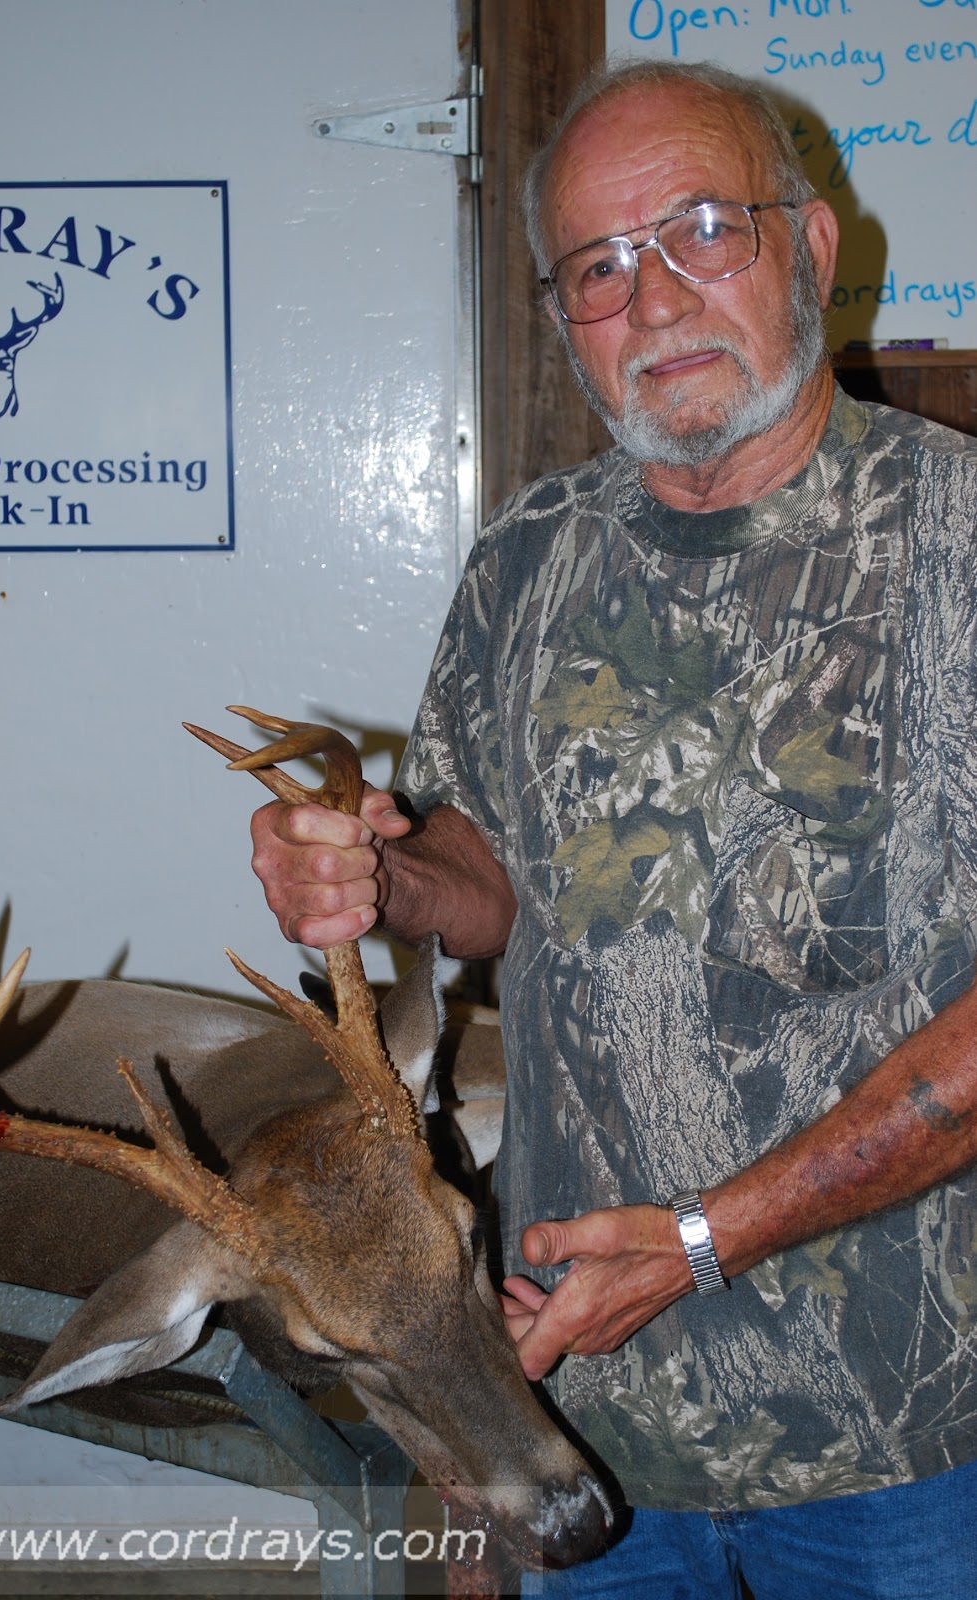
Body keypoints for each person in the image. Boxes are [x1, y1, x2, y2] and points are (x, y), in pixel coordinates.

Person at [249, 58, 977, 1599]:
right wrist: (380, 873)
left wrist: (711, 1236)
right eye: (596, 266)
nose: (650, 300)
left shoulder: (959, 547)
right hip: (583, 1415)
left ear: (812, 250)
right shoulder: (523, 560)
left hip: (917, 1444)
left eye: (700, 228)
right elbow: (498, 884)